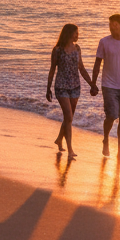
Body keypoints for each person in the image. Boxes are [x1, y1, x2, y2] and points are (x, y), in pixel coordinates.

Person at [90, 13, 120, 160]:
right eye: (110, 24)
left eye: (115, 25)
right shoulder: (104, 42)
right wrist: (93, 83)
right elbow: (97, 63)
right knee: (111, 116)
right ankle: (105, 139)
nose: (112, 27)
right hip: (108, 84)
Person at [46, 23, 92, 159]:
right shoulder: (57, 50)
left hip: (75, 87)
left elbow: (81, 68)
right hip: (61, 86)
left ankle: (60, 139)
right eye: (76, 33)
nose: (78, 35)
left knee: (68, 117)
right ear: (69, 33)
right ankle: (71, 150)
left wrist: (91, 84)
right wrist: (48, 88)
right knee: (69, 117)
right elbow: (52, 69)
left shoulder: (77, 48)